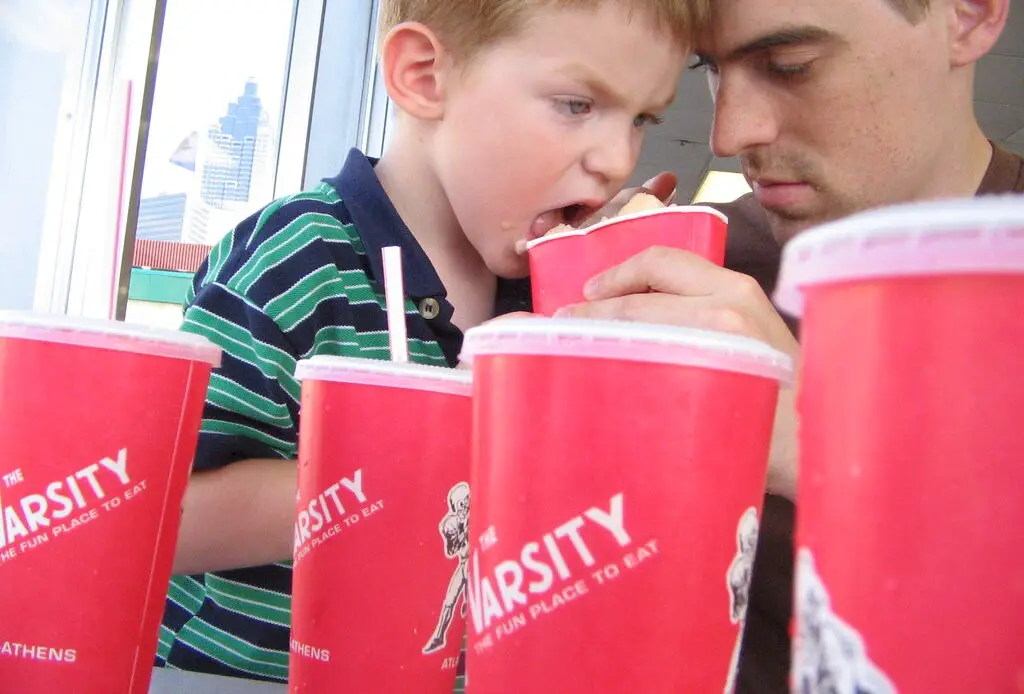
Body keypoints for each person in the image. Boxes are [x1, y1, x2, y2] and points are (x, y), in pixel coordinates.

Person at [155, 0, 700, 683]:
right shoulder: (298, 258)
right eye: (576, 104)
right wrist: (454, 449)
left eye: (643, 118)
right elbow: (169, 519)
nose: (618, 160)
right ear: (423, 77)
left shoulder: (548, 295)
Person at [556, 0, 1022, 691]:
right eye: (714, 70)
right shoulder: (688, 272)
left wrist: (829, 452)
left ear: (969, 16)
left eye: (789, 66)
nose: (729, 131)